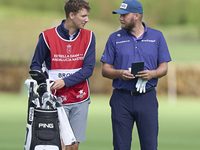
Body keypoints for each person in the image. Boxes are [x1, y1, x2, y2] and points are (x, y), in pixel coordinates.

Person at [100, 0, 171, 150]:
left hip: (147, 98)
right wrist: (120, 73)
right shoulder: (115, 38)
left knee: (150, 146)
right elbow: (105, 70)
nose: (120, 18)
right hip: (121, 99)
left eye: (124, 15)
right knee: (121, 147)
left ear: (136, 16)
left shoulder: (157, 36)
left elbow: (163, 68)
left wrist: (152, 74)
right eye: (120, 15)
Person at [30, 0, 96, 149]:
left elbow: (88, 69)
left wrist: (64, 82)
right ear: (71, 15)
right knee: (58, 144)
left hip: (80, 97)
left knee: (73, 146)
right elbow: (35, 65)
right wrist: (45, 83)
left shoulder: (90, 36)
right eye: (83, 16)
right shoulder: (47, 36)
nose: (87, 19)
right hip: (54, 98)